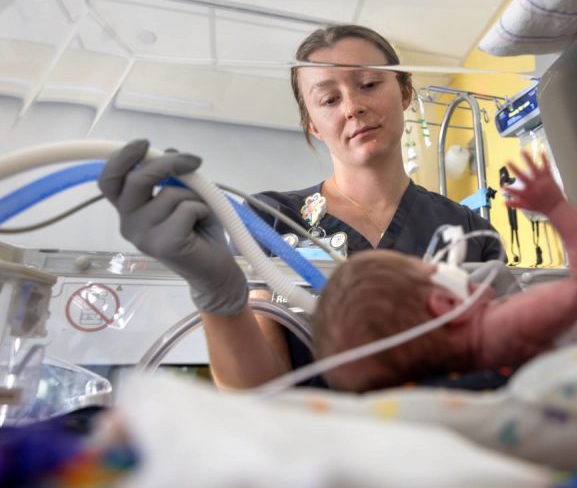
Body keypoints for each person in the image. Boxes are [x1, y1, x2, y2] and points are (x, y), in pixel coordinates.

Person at [97, 24, 505, 391]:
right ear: (312, 123)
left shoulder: (466, 228)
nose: (351, 107)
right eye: (328, 99)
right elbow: (258, 391)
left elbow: (504, 361)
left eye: (367, 84)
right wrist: (216, 296)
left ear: (404, 91)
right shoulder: (271, 220)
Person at [313, 152, 577, 392]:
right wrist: (555, 207)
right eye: (437, 268)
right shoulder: (504, 324)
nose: (458, 269)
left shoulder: (478, 364)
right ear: (446, 305)